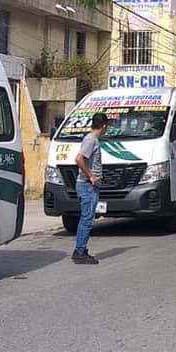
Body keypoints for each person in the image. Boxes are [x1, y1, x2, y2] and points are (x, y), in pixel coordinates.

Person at [72, 111, 108, 265]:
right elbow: (79, 159)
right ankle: (80, 251)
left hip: (89, 185)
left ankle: (80, 249)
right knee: (86, 219)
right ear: (104, 126)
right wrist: (91, 176)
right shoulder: (91, 140)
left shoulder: (91, 140)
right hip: (87, 186)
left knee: (87, 218)